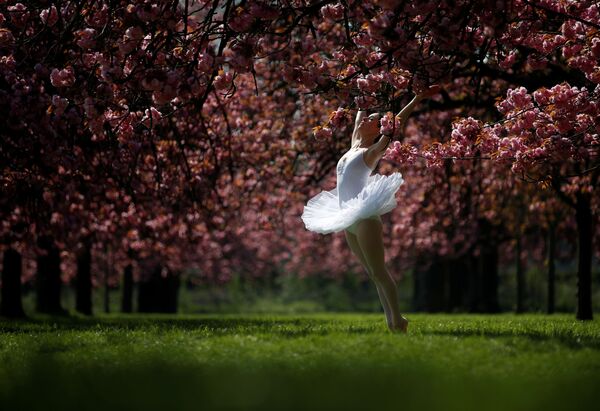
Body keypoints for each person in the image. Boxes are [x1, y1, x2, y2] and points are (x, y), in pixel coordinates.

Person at [301, 85, 440, 333]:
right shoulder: (354, 142)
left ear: (378, 129)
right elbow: (359, 111)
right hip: (346, 217)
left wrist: (417, 97)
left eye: (372, 120)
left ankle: (398, 319)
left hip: (364, 217)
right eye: (366, 118)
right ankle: (392, 322)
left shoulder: (371, 152)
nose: (365, 120)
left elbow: (396, 124)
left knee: (379, 270)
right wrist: (364, 83)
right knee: (373, 274)